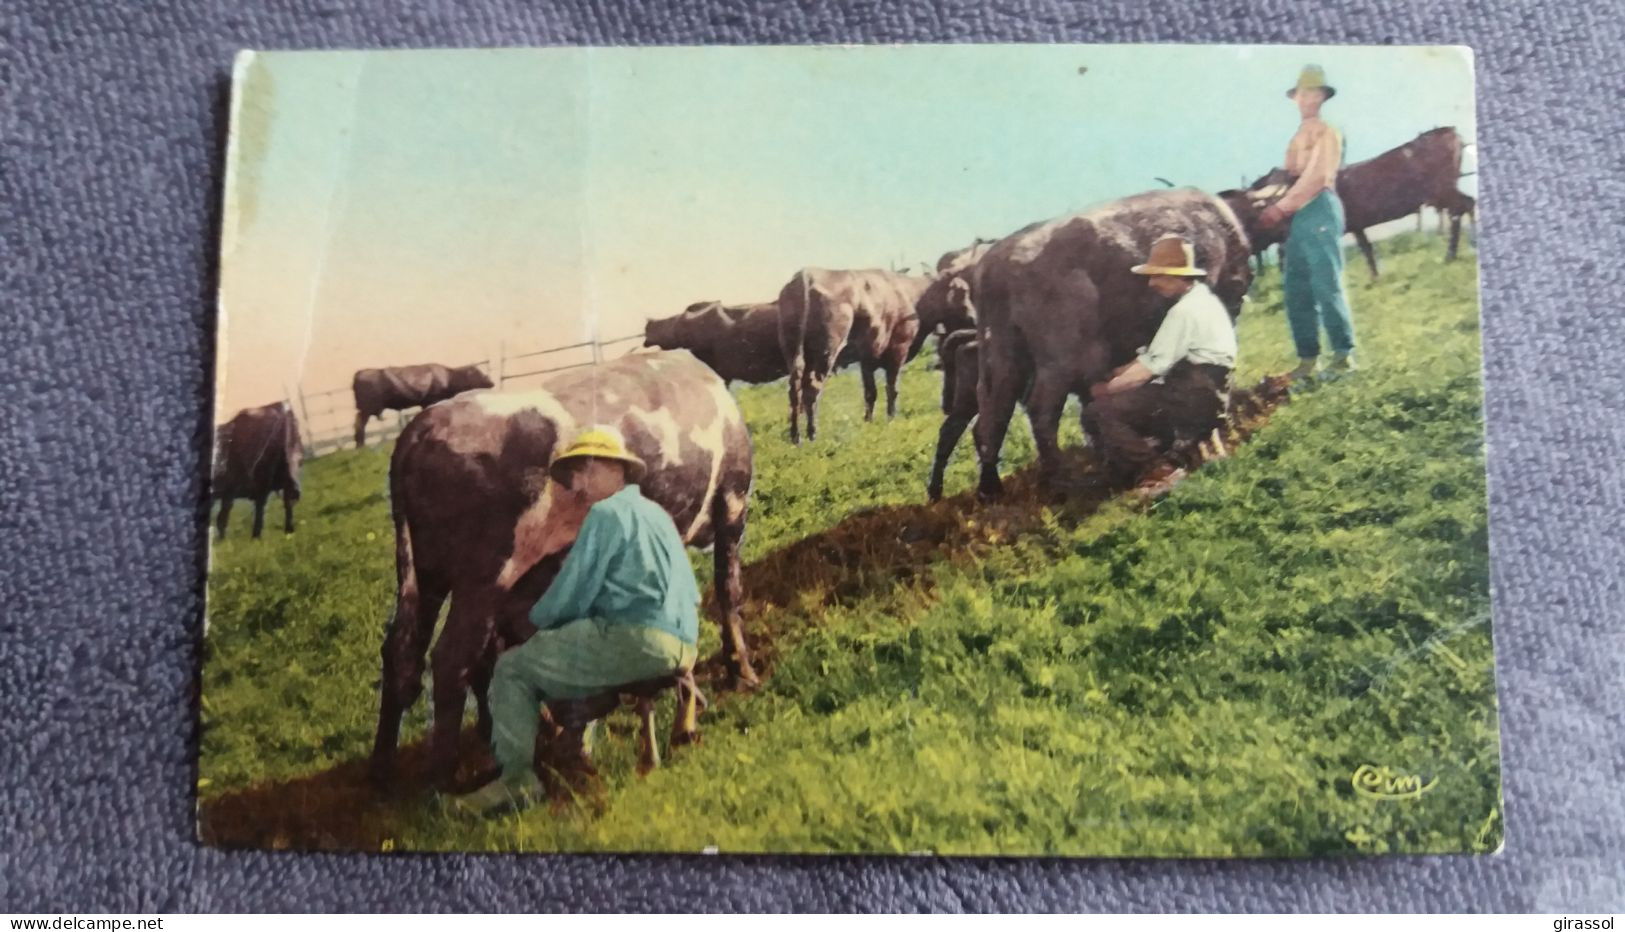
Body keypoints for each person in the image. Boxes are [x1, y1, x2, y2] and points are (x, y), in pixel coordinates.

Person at [456, 427, 701, 815]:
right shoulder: (654, 512)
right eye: (574, 477)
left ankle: (518, 781)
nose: (579, 486)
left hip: (640, 641)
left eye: (584, 472)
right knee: (576, 645)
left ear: (612, 469)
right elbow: (690, 590)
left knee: (513, 668)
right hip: (685, 642)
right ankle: (574, 750)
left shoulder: (605, 514)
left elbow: (572, 593)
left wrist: (534, 621)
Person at [1083, 235, 1237, 497]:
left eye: (1158, 276)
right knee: (1133, 400)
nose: (1152, 283)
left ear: (1177, 276)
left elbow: (1148, 370)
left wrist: (1106, 388)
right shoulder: (1203, 300)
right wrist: (1124, 371)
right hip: (1211, 393)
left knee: (1100, 410)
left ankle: (1158, 471)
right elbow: (1157, 355)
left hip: (1193, 398)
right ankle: (1155, 457)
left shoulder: (1184, 313)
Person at [1257, 64, 1357, 384]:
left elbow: (1316, 177)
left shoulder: (1328, 132)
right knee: (1296, 288)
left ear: (1322, 97)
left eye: (1313, 93)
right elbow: (1287, 177)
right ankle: (1307, 359)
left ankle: (1343, 356)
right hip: (1298, 214)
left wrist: (1281, 208)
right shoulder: (1298, 135)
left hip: (1319, 208)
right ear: (1295, 98)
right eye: (1302, 94)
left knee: (1326, 283)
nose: (1307, 99)